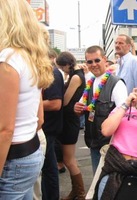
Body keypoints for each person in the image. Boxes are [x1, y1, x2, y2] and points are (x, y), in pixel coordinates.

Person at [0, 0, 54, 199]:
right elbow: (39, 119)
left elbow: (5, 130)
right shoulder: (29, 58)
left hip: (12, 159)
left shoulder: (7, 60)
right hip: (31, 150)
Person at [74, 45, 128, 174]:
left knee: (109, 184)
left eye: (97, 60)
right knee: (97, 182)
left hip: (111, 145)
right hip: (94, 142)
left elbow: (124, 114)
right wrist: (77, 108)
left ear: (104, 59)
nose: (94, 64)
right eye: (89, 61)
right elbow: (81, 107)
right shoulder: (90, 82)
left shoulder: (116, 83)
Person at [56, 52, 86, 200]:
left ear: (68, 64)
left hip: (70, 120)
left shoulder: (75, 77)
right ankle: (76, 192)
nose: (62, 70)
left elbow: (66, 101)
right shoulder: (75, 74)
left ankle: (80, 193)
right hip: (69, 120)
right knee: (69, 159)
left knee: (69, 160)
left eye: (62, 67)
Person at [41, 49, 65, 200]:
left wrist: (31, 103)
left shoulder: (52, 73)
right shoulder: (46, 71)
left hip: (48, 128)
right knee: (48, 167)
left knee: (49, 169)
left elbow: (56, 104)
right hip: (46, 128)